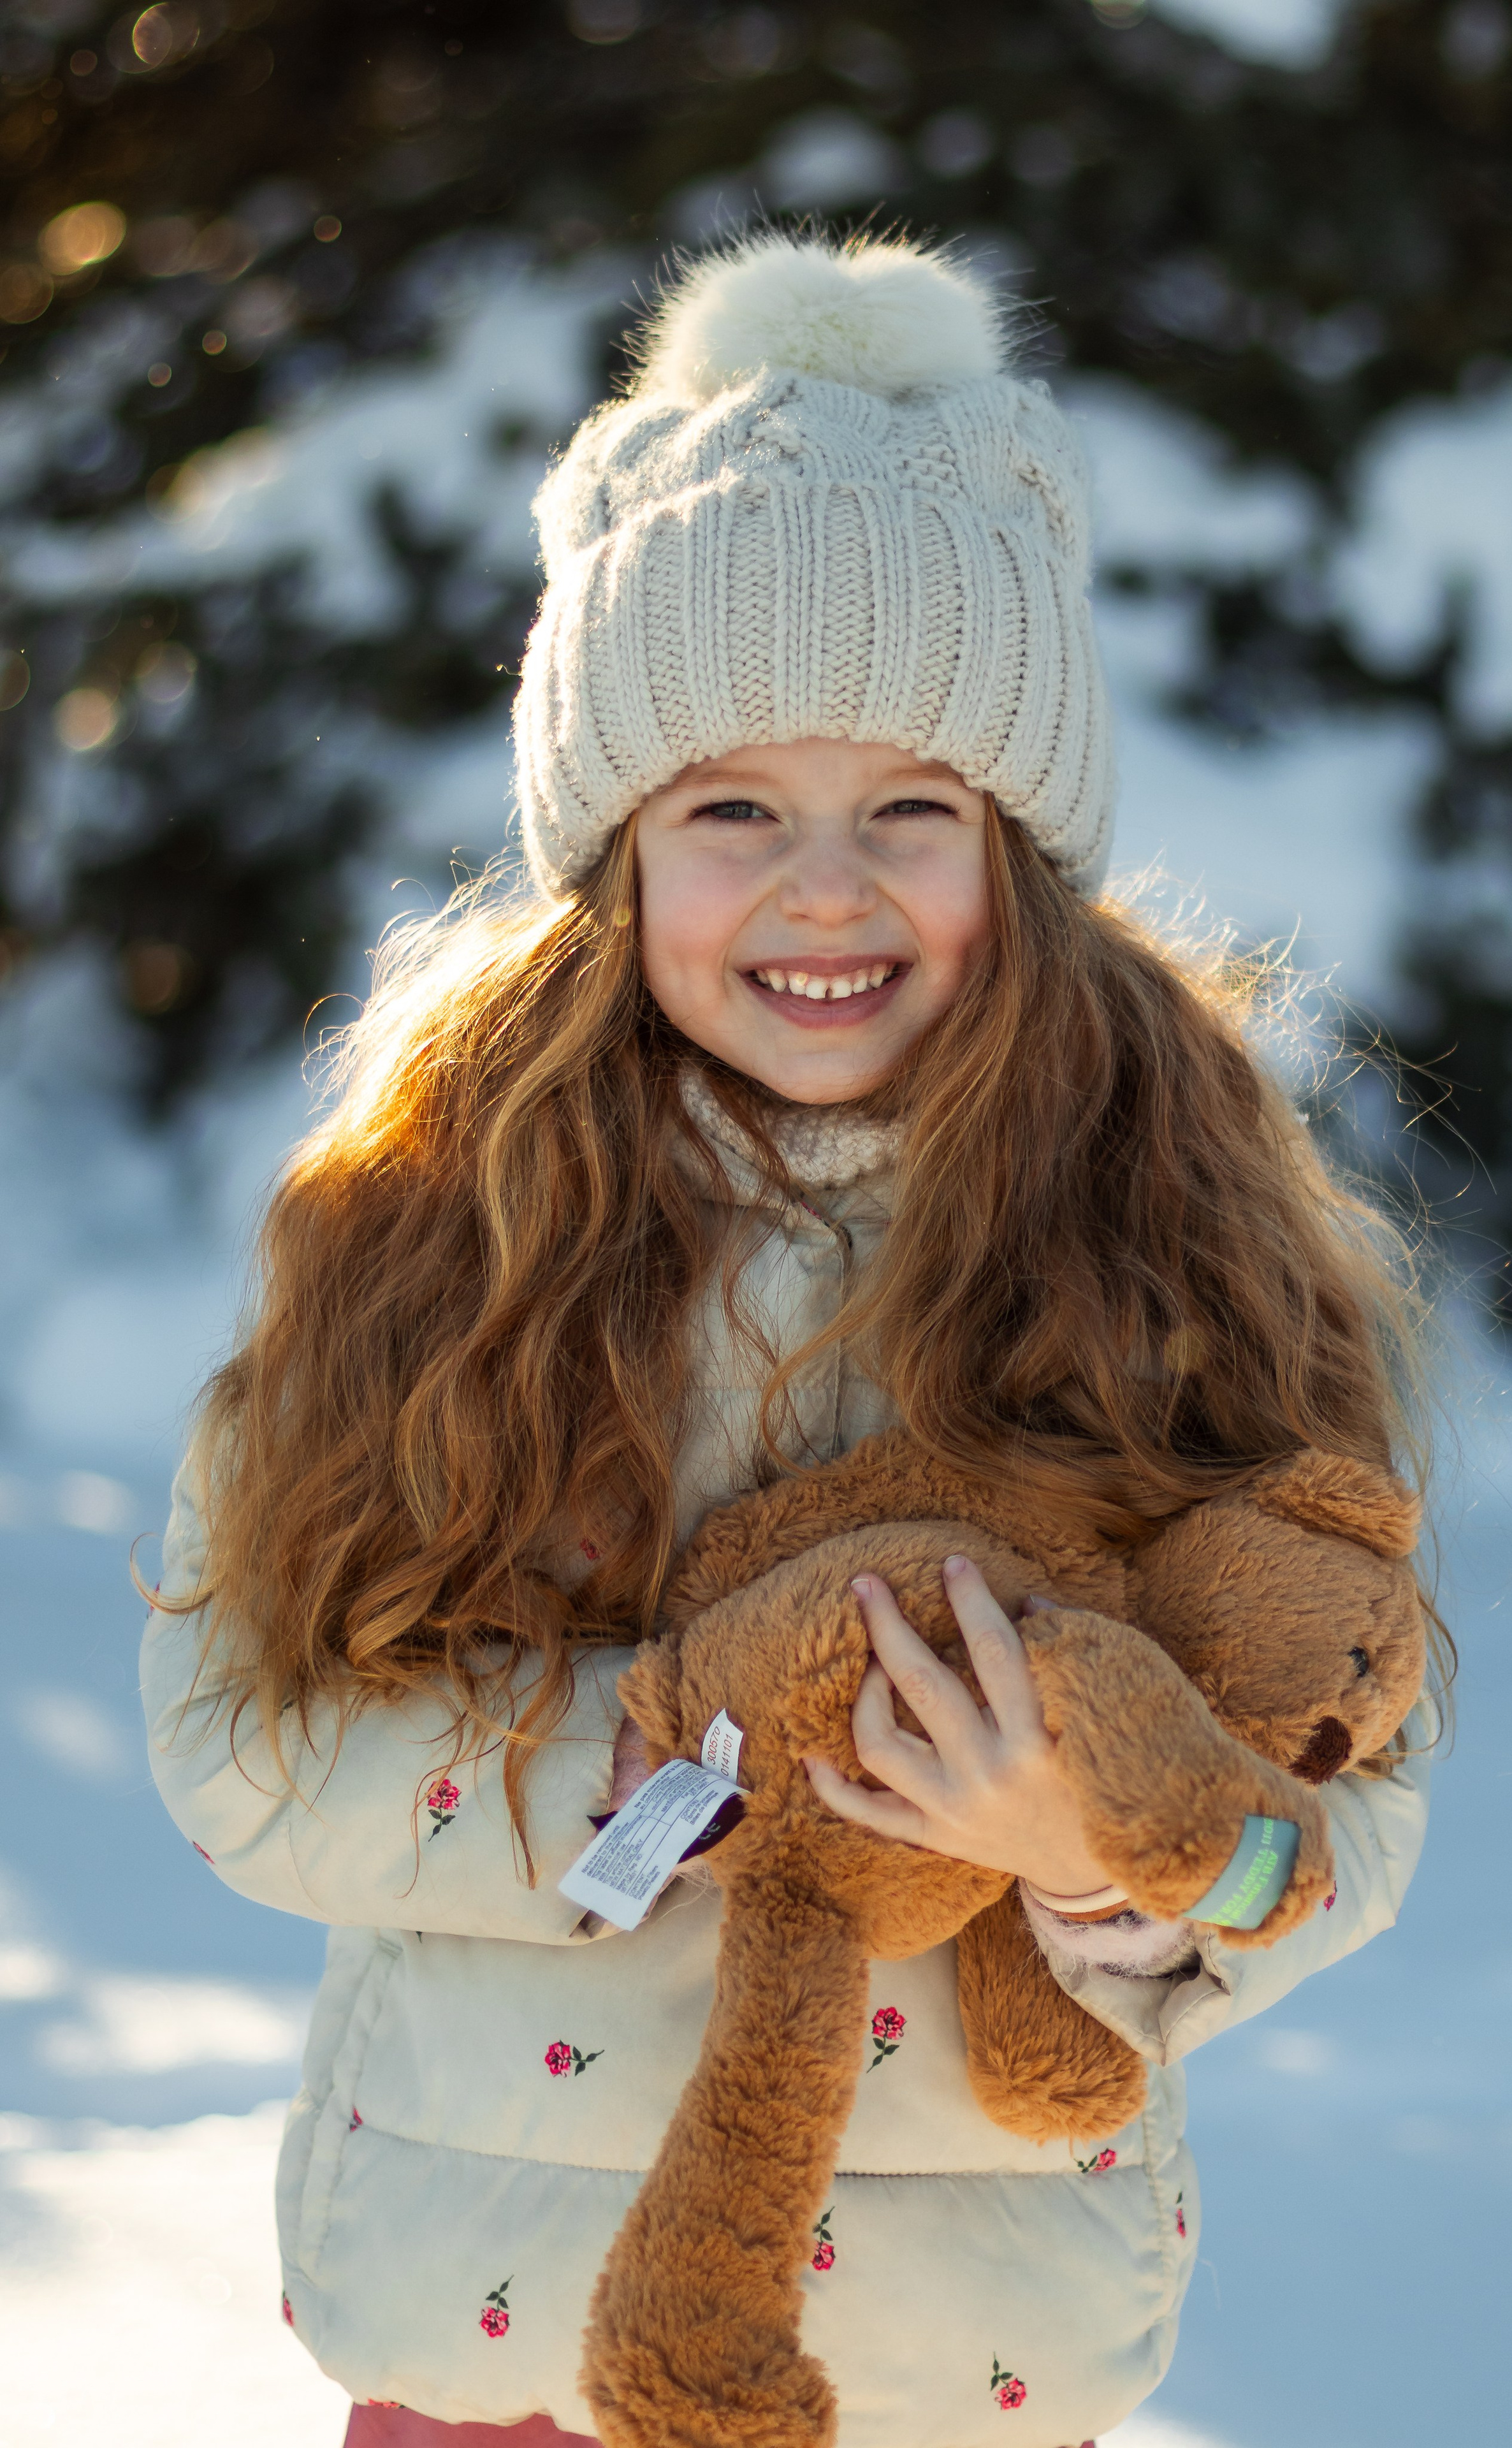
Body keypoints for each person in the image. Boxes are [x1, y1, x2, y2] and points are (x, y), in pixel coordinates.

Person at [142, 232, 1439, 2448]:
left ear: (1014, 856)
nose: (821, 892)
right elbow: (240, 1739)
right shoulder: (425, 1237)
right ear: (615, 846)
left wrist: (1089, 1839)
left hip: (957, 2360)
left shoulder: (1182, 1241)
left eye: (908, 814)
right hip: (503, 2336)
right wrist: (656, 1775)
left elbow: (1347, 1775)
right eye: (733, 808)